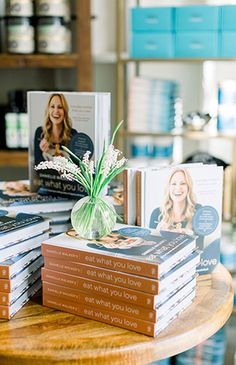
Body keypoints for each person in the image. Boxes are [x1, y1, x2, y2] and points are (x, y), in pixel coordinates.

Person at [149, 168, 201, 237]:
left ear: (188, 187)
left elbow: (200, 245)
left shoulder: (198, 210)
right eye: (173, 184)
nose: (178, 188)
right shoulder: (157, 213)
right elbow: (151, 243)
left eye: (183, 183)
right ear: (168, 188)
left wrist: (190, 235)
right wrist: (158, 233)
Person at [34, 93, 77, 165]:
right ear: (48, 110)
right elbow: (38, 167)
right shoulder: (40, 132)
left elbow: (76, 167)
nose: (56, 111)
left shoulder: (73, 134)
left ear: (65, 111)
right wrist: (42, 152)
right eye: (52, 106)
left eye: (60, 107)